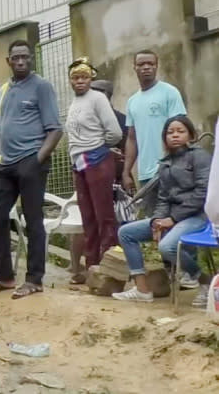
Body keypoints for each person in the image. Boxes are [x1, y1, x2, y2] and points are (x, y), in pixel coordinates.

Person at [0, 40, 63, 299]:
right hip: (4, 164)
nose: (21, 62)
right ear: (8, 61)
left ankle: (34, 279)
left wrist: (36, 160)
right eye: (16, 57)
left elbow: (55, 130)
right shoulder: (4, 90)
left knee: (33, 220)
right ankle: (5, 276)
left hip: (31, 161)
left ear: (31, 60)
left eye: (25, 58)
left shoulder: (41, 86)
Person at [113, 115, 212, 307]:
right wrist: (158, 220)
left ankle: (204, 281)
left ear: (191, 135)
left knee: (166, 247)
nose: (174, 135)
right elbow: (163, 199)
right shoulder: (165, 163)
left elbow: (202, 194)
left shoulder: (199, 156)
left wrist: (172, 219)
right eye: (170, 132)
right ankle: (142, 290)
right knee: (126, 233)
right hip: (172, 218)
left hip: (197, 216)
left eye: (180, 131)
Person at [65, 58, 123, 282]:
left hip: (96, 160)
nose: (80, 81)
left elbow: (115, 133)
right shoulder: (74, 103)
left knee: (103, 215)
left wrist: (99, 148)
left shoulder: (97, 98)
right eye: (75, 78)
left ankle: (109, 265)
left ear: (91, 79)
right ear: (70, 81)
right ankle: (91, 265)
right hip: (78, 162)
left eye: (84, 77)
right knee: (87, 216)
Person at [122, 50, 186, 198]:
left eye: (150, 64)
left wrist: (176, 163)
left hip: (170, 170)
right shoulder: (132, 101)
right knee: (153, 219)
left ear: (156, 66)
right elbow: (132, 138)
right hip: (146, 175)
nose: (146, 67)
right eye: (141, 64)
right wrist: (126, 172)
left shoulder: (169, 92)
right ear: (134, 68)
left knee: (174, 216)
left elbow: (181, 131)